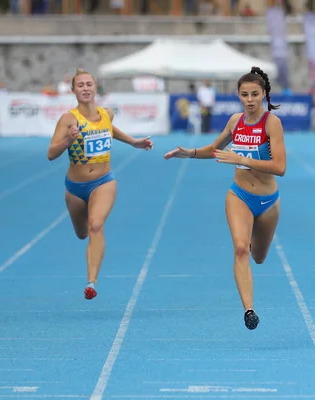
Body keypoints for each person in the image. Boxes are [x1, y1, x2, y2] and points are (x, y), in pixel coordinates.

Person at [164, 66, 286, 330]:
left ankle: (254, 241)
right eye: (245, 95)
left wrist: (242, 158)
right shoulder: (234, 121)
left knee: (259, 257)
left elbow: (280, 167)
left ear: (263, 94)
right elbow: (215, 149)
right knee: (240, 248)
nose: (250, 99)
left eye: (255, 94)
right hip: (239, 195)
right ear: (238, 96)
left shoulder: (271, 123)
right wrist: (191, 153)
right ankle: (249, 310)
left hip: (267, 201)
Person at [47, 68, 153, 300]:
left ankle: (91, 282)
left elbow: (109, 129)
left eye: (89, 84)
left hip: (104, 182)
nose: (85, 88)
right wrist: (68, 139)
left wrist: (133, 142)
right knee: (82, 233)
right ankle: (87, 246)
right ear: (74, 90)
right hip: (75, 188)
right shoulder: (69, 119)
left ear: (96, 88)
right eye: (80, 85)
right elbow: (51, 153)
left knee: (96, 226)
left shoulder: (107, 114)